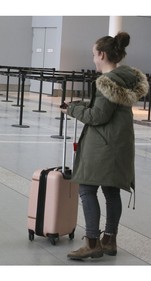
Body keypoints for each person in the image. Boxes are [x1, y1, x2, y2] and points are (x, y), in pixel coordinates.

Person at [61, 32, 149, 260]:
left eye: (93, 54)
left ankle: (92, 243)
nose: (93, 59)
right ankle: (109, 239)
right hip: (119, 144)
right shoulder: (125, 78)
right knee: (111, 191)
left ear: (101, 54)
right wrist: (81, 104)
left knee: (87, 189)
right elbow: (106, 108)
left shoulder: (107, 82)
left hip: (104, 144)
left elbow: (98, 116)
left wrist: (71, 109)